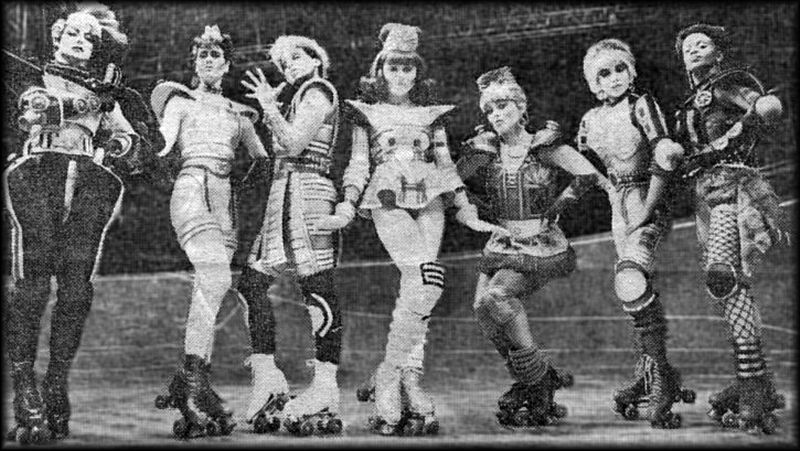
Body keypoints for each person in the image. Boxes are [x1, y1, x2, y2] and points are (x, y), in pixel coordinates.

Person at [323, 23, 501, 436]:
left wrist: (465, 207)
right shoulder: (365, 112)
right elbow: (359, 163)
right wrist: (347, 204)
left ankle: (405, 375)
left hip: (431, 198)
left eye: (409, 68)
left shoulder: (431, 114)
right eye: (394, 67)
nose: (401, 75)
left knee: (419, 286)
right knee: (425, 279)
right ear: (381, 69)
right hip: (386, 195)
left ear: (417, 71)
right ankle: (391, 374)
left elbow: (445, 163)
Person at [3, 4, 139, 444]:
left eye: (89, 38)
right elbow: (33, 110)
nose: (81, 42)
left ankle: (56, 384)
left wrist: (119, 142)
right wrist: (87, 102)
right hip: (38, 172)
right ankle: (24, 387)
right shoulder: (37, 76)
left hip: (87, 179)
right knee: (32, 283)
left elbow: (128, 138)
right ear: (57, 38)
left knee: (77, 287)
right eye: (74, 34)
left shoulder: (103, 91)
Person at [456, 67, 607, 427]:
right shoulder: (485, 149)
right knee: (482, 309)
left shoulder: (542, 145)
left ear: (521, 107)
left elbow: (587, 174)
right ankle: (534, 377)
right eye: (489, 109)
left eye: (502, 106)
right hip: (501, 242)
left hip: (538, 244)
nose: (495, 115)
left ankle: (538, 384)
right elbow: (447, 182)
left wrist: (560, 205)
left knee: (498, 297)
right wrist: (471, 205)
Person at [149, 25, 268, 439]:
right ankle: (191, 382)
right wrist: (139, 148)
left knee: (211, 287)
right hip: (192, 186)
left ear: (227, 64)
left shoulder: (239, 113)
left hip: (225, 199)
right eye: (203, 54)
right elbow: (163, 146)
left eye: (217, 54)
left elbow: (262, 159)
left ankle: (193, 381)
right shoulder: (179, 102)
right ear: (194, 61)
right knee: (215, 278)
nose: (209, 60)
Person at [673, 24, 788, 435]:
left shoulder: (728, 84)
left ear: (718, 53)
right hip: (706, 195)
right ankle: (754, 379)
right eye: (687, 47)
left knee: (724, 277)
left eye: (702, 45)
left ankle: (753, 388)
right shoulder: (688, 103)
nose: (693, 50)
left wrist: (763, 106)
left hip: (734, 189)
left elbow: (762, 107)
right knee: (729, 287)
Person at [577, 38, 695, 428]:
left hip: (647, 199)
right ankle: (655, 373)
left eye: (620, 69)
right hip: (618, 206)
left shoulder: (641, 105)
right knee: (634, 291)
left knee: (630, 279)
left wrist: (647, 210)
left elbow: (665, 152)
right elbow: (588, 165)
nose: (613, 78)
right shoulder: (589, 120)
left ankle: (660, 380)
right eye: (603, 73)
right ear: (593, 83)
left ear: (632, 72)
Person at [236, 35, 345, 436]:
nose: (290, 65)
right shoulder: (298, 96)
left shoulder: (318, 90)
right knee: (252, 283)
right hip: (283, 192)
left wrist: (268, 107)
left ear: (317, 58)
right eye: (283, 62)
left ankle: (325, 385)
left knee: (317, 284)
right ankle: (268, 376)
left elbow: (296, 144)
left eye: (297, 56)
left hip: (309, 190)